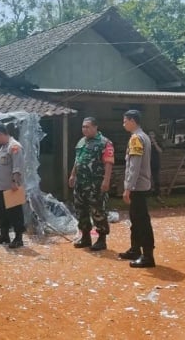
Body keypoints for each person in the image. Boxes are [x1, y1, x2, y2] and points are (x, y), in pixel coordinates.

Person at [68, 117, 114, 251]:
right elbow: (78, 160)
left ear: (95, 127)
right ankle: (86, 237)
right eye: (83, 127)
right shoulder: (82, 141)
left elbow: (108, 163)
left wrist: (106, 181)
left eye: (87, 127)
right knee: (80, 210)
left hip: (96, 184)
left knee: (98, 210)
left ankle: (101, 239)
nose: (84, 129)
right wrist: (72, 175)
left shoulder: (104, 142)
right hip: (80, 183)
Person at [119, 110, 155, 268]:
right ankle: (135, 249)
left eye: (125, 121)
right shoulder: (143, 136)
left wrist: (128, 187)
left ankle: (148, 256)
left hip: (137, 187)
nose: (123, 124)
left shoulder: (136, 138)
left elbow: (134, 166)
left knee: (141, 221)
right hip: (139, 185)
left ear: (132, 120)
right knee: (135, 218)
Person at [0, 123, 25, 249]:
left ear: (1, 134)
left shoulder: (14, 146)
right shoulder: (4, 147)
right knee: (2, 213)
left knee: (15, 213)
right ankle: (4, 235)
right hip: (1, 187)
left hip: (11, 187)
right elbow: (2, 167)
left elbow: (17, 166)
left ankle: (18, 238)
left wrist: (15, 181)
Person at [149, 131, 164, 203]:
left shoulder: (158, 142)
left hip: (155, 164)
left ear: (154, 135)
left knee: (156, 180)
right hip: (147, 165)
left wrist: (155, 143)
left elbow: (160, 151)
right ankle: (148, 196)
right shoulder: (146, 143)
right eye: (150, 134)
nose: (151, 136)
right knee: (147, 180)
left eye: (152, 134)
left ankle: (157, 195)